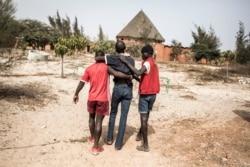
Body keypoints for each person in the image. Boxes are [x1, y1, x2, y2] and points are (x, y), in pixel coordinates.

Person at [73, 50, 132, 155]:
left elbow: (82, 82)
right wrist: (128, 76)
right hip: (102, 99)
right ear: (103, 57)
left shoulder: (89, 68)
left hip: (91, 98)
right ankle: (95, 146)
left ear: (95, 57)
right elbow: (116, 73)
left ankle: (92, 138)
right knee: (99, 121)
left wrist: (76, 94)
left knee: (91, 118)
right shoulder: (106, 67)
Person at [95, 40, 136, 150]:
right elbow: (132, 72)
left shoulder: (113, 58)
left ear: (116, 49)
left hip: (118, 87)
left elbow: (98, 58)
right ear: (125, 49)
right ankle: (118, 144)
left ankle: (109, 139)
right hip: (128, 88)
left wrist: (112, 66)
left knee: (113, 113)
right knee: (123, 116)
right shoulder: (131, 60)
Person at [119, 44, 160, 152]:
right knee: (146, 115)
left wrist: (126, 62)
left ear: (147, 54)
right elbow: (144, 77)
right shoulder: (154, 64)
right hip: (153, 94)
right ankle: (140, 133)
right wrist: (135, 78)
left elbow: (138, 72)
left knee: (143, 119)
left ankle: (145, 145)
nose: (141, 55)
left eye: (143, 53)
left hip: (145, 95)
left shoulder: (147, 63)